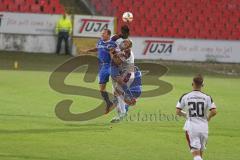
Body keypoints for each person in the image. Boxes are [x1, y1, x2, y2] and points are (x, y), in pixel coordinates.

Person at [176, 74, 217, 160]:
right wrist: (208, 118)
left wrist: (186, 115)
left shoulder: (185, 96)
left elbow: (178, 112)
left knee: (196, 155)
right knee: (200, 154)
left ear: (192, 84)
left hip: (192, 128)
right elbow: (213, 111)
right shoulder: (207, 97)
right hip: (204, 128)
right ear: (202, 85)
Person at [83, 29, 117, 112]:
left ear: (108, 35)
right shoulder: (100, 41)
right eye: (102, 33)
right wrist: (89, 50)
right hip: (102, 66)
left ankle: (122, 98)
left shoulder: (112, 44)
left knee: (117, 81)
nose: (102, 35)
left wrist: (112, 53)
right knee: (102, 89)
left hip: (110, 65)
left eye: (103, 33)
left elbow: (115, 56)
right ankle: (109, 103)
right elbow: (97, 48)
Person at [109, 39, 142, 123]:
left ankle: (123, 111)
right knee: (116, 94)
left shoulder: (128, 53)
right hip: (119, 72)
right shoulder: (120, 49)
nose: (124, 44)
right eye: (124, 42)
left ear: (129, 47)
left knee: (118, 90)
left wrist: (111, 53)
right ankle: (121, 112)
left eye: (127, 43)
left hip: (128, 72)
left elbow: (116, 60)